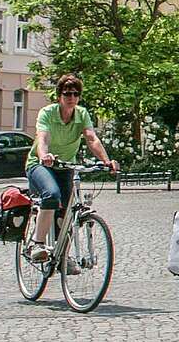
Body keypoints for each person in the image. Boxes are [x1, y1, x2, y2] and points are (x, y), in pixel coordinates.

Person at [26, 75, 119, 264]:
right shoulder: (48, 113)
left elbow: (91, 138)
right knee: (51, 195)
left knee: (66, 211)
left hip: (66, 165)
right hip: (40, 164)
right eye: (67, 93)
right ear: (59, 95)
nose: (72, 98)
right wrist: (45, 155)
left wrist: (107, 162)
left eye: (76, 94)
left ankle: (62, 257)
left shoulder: (81, 114)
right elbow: (42, 138)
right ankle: (38, 244)